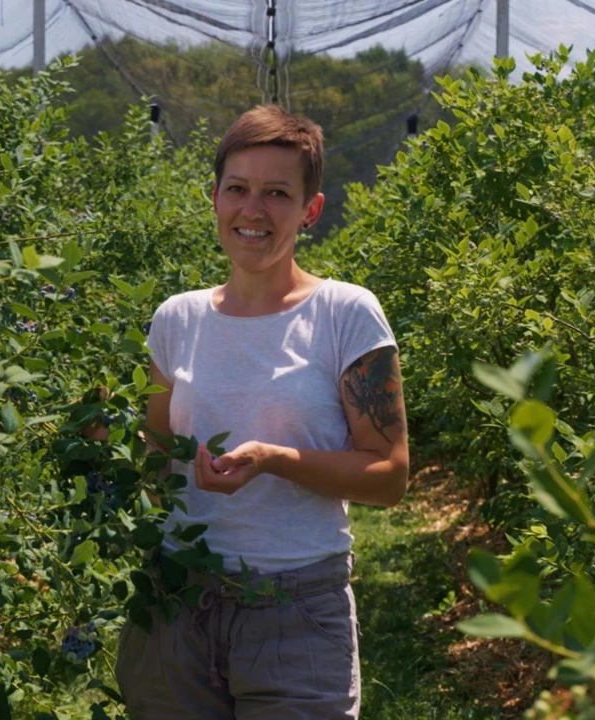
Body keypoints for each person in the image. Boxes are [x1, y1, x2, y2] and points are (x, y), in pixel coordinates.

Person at [115, 105, 409, 719]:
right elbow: (154, 455)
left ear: (310, 209)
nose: (253, 210)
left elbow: (388, 477)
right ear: (215, 198)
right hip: (176, 600)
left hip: (295, 608)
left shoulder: (345, 315)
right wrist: (106, 439)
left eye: (277, 193)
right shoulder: (176, 319)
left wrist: (274, 460)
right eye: (238, 189)